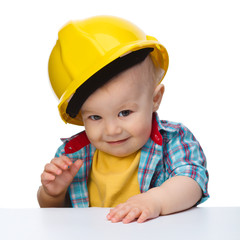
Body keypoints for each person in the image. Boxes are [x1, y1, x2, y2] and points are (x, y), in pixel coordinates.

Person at [37, 15, 209, 224]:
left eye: (125, 113)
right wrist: (53, 194)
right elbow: (51, 213)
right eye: (95, 117)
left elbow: (192, 181)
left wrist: (154, 200)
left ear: (155, 99)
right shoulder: (72, 155)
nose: (111, 130)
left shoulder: (172, 139)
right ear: (81, 116)